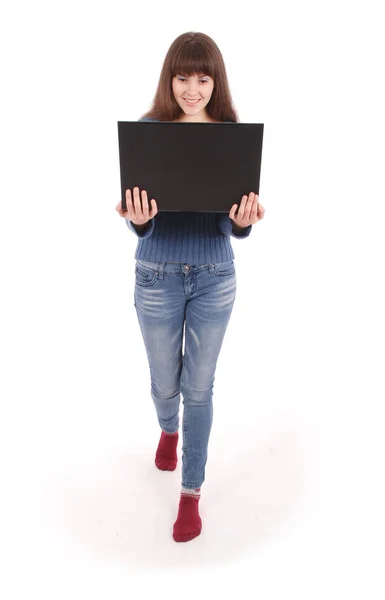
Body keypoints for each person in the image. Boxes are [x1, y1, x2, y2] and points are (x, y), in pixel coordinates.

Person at [115, 31, 265, 543]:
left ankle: (190, 492)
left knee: (199, 388)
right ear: (170, 79)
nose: (193, 89)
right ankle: (168, 428)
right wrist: (137, 221)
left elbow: (231, 226)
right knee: (166, 383)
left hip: (214, 277)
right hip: (156, 273)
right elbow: (142, 221)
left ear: (215, 81)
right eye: (183, 77)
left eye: (203, 78)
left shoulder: (230, 134)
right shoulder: (147, 130)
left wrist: (243, 221)